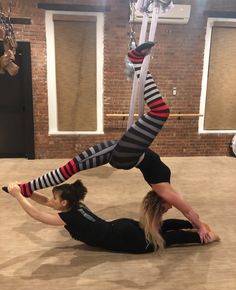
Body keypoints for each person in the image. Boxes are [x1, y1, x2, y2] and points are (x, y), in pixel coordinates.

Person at [2, 42, 211, 243]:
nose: (170, 207)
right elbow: (185, 210)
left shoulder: (165, 192)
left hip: (128, 155)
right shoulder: (164, 189)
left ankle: (136, 60)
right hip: (125, 154)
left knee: (161, 112)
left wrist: (199, 226)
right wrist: (196, 225)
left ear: (161, 201)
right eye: (168, 209)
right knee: (72, 167)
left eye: (165, 208)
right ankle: (28, 188)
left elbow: (188, 210)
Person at [7, 180, 220, 254]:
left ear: (64, 204)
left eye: (55, 198)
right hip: (123, 228)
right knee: (159, 229)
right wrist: (27, 192)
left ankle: (207, 236)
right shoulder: (75, 205)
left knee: (167, 239)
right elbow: (46, 201)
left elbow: (38, 215)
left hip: (131, 240)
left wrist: (18, 196)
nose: (51, 200)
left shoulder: (68, 217)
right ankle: (193, 225)